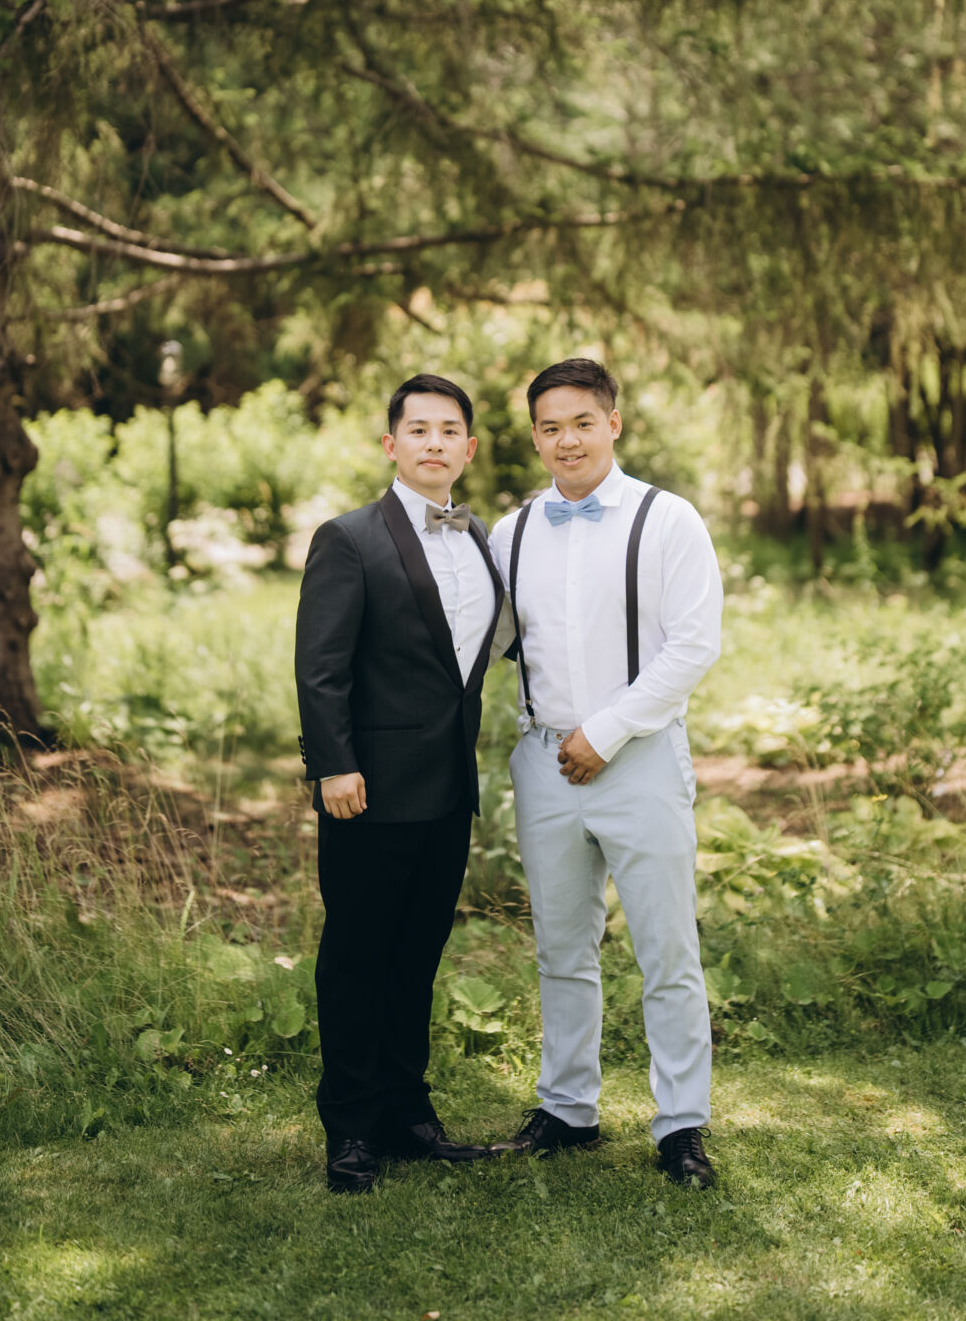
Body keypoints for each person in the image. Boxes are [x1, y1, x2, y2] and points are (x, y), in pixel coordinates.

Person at [488, 357, 723, 1189]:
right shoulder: (511, 533)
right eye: (550, 427)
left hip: (641, 758)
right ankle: (567, 1109)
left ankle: (681, 1124)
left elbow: (693, 647)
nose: (568, 440)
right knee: (561, 948)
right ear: (534, 437)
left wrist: (608, 730)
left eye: (582, 422)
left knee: (667, 949)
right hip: (543, 760)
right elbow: (492, 641)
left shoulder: (669, 520)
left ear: (613, 424)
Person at [295, 373, 507, 1194]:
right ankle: (350, 1127)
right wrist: (332, 763)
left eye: (449, 430)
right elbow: (321, 666)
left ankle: (407, 1113)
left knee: (418, 956)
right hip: (368, 790)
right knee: (357, 956)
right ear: (392, 445)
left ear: (469, 448)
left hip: (448, 790)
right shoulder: (347, 539)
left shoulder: (481, 536)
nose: (433, 443)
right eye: (418, 429)